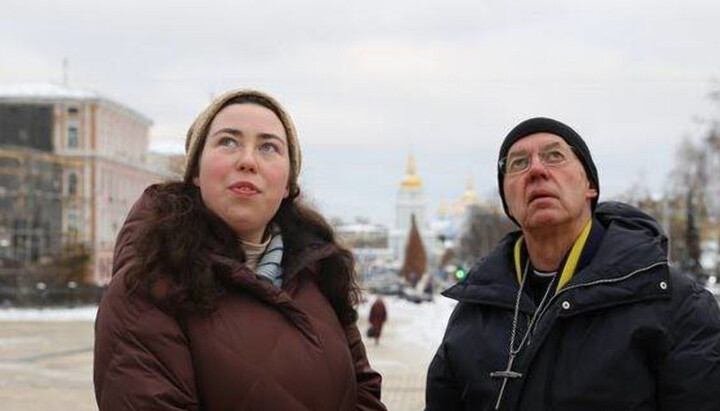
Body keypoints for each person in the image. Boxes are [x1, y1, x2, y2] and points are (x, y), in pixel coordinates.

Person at [94, 89, 386, 410]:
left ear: (288, 183)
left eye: (268, 147)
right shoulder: (147, 285)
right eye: (228, 142)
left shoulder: (318, 273)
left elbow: (363, 392)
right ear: (194, 171)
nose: (248, 161)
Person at [426, 117, 720, 410]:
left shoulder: (673, 304)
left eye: (555, 156)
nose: (537, 170)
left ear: (590, 184)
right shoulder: (475, 312)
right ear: (507, 200)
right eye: (518, 163)